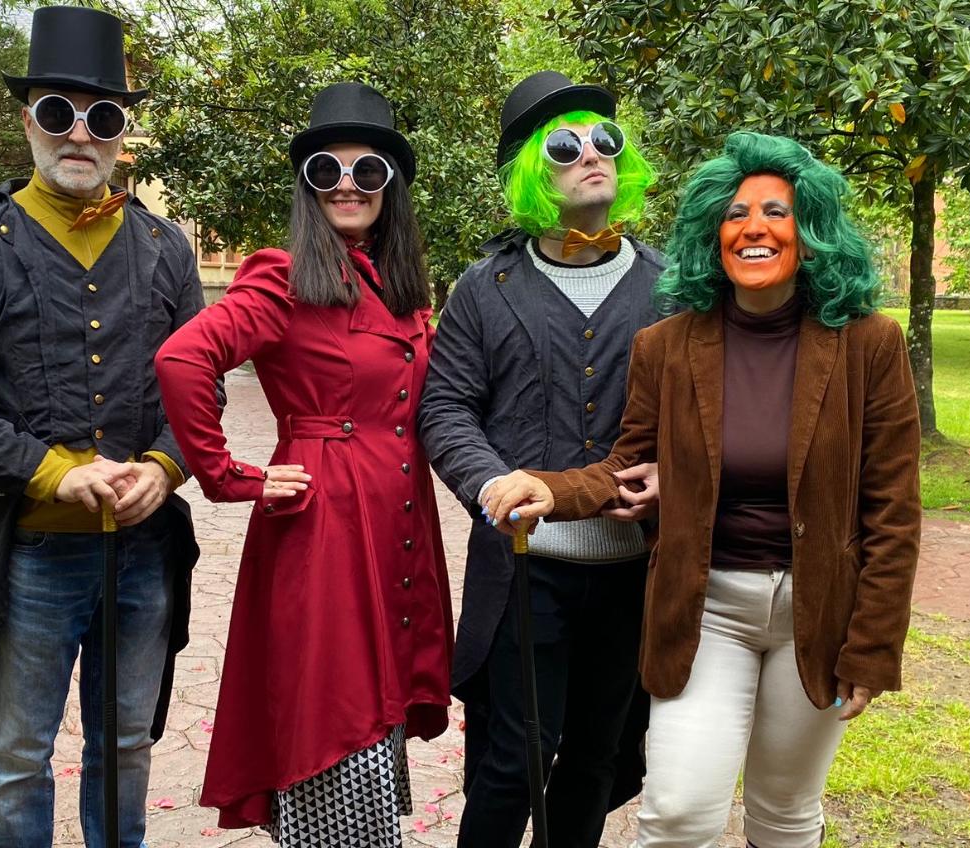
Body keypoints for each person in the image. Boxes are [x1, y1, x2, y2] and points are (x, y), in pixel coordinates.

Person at [483, 131, 923, 848]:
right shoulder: (667, 345)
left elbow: (893, 510)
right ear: (712, 235)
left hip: (817, 611)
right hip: (707, 607)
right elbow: (628, 464)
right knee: (679, 812)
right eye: (735, 214)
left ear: (811, 230)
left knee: (784, 812)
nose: (754, 228)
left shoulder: (869, 344)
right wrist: (551, 489)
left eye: (776, 212)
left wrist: (873, 645)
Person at [0, 7, 210, 846]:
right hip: (35, 551)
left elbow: (201, 389)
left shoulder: (167, 248)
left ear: (121, 135)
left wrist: (166, 466)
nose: (80, 133)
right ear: (28, 121)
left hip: (143, 554)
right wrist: (54, 471)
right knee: (16, 755)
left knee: (126, 746)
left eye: (102, 117)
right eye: (58, 112)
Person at [153, 82, 452, 847]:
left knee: (377, 705)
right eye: (327, 169)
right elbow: (184, 358)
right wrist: (229, 475)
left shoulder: (397, 286)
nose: (348, 184)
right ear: (308, 185)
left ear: (391, 185)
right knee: (335, 711)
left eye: (368, 169)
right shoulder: (282, 275)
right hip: (325, 525)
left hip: (397, 524)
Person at [418, 70, 663, 848]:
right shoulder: (484, 288)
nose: (591, 154)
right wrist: (490, 481)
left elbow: (704, 413)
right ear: (532, 170)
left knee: (595, 756)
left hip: (631, 570)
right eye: (564, 146)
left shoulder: (671, 287)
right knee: (514, 759)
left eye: (604, 140)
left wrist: (672, 478)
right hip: (527, 568)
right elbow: (445, 406)